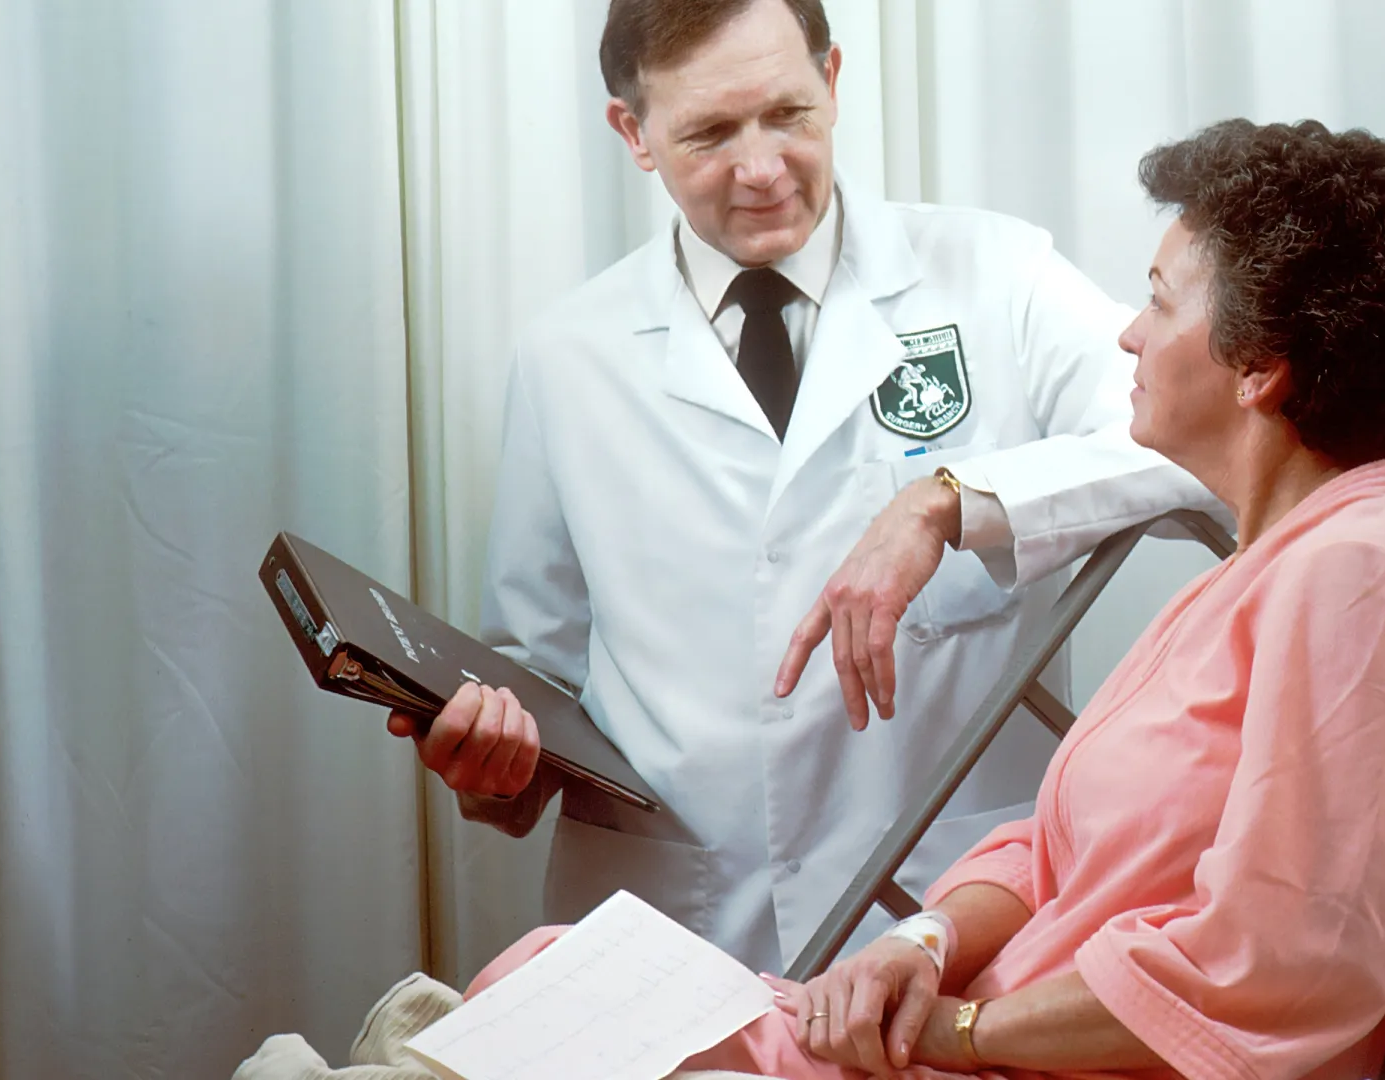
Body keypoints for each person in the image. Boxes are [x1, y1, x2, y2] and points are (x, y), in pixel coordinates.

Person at [462, 118, 1385, 1080]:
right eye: (707, 130)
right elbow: (1057, 847)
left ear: (1261, 370)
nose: (1129, 337)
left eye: (1159, 299)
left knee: (551, 1018)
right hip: (965, 1022)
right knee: (548, 975)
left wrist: (957, 1033)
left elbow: (1277, 968)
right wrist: (924, 940)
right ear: (633, 127)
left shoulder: (1359, 580)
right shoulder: (1264, 571)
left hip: (1009, 1054)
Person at [388, 0, 1218, 973]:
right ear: (633, 132)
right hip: (676, 936)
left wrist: (950, 501)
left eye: (788, 114)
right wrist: (495, 770)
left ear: (831, 79)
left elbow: (1202, 442)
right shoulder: (567, 357)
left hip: (944, 924)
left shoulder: (999, 275)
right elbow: (540, 679)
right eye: (708, 132)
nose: (762, 168)